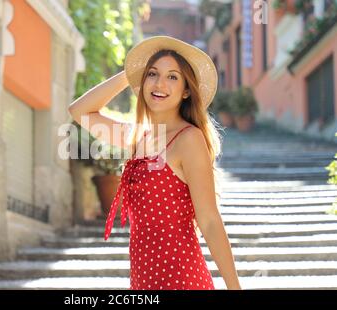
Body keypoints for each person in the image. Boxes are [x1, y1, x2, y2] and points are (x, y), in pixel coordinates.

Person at [68, 36, 240, 290]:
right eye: (152, 74)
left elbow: (210, 220)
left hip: (182, 279)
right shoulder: (138, 137)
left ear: (185, 90)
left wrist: (234, 288)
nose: (160, 83)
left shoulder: (189, 139)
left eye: (172, 76)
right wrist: (131, 74)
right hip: (143, 282)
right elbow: (79, 111)